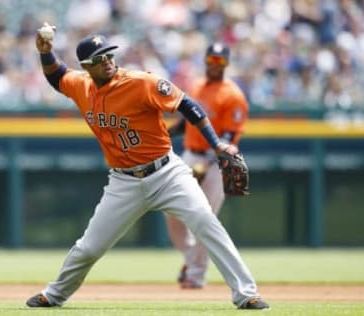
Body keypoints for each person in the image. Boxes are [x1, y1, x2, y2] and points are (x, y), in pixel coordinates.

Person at [26, 24, 269, 310]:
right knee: (89, 247)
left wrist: (216, 145)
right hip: (123, 182)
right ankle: (54, 294)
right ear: (86, 66)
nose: (107, 61)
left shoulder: (141, 82)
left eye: (109, 55)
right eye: (99, 59)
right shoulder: (82, 85)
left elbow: (188, 106)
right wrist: (45, 52)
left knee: (206, 222)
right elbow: (57, 77)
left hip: (167, 173)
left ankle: (246, 293)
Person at [165, 42, 249, 289]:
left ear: (226, 63)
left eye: (219, 61)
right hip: (190, 154)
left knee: (204, 218)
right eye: (211, 60)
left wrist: (211, 162)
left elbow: (230, 138)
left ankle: (196, 274)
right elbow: (187, 122)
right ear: (206, 60)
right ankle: (192, 259)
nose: (215, 64)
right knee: (171, 211)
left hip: (215, 162)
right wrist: (165, 134)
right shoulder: (197, 85)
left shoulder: (234, 95)